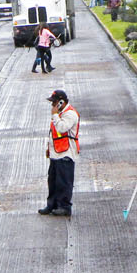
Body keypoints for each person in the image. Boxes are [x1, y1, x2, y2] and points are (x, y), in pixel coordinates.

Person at [38, 88, 79, 217]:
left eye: (54, 102)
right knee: (53, 181)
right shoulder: (60, 114)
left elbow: (62, 127)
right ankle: (52, 205)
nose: (52, 105)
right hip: (56, 153)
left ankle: (65, 207)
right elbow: (54, 133)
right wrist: (49, 148)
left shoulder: (70, 114)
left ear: (61, 102)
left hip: (66, 153)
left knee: (64, 182)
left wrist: (55, 115)